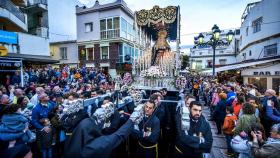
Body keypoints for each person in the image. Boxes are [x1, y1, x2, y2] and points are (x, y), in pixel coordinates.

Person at [63, 106, 142, 158]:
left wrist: (95, 116)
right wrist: (131, 121)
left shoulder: (73, 141)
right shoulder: (92, 147)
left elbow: (87, 123)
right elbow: (118, 136)